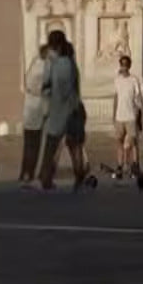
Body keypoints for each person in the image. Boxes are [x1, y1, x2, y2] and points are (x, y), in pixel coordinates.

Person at [38, 31, 85, 190]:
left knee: (51, 146)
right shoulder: (71, 62)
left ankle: (46, 177)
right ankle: (79, 175)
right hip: (74, 109)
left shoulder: (54, 63)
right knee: (75, 145)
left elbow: (46, 85)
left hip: (58, 110)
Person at [18, 42, 49, 183]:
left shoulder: (34, 64)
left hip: (29, 110)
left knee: (27, 145)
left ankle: (24, 172)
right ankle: (29, 173)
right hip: (37, 111)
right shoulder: (43, 68)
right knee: (34, 146)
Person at [112, 54, 143, 179]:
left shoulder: (134, 80)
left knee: (133, 142)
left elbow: (138, 97)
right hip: (120, 116)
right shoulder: (117, 80)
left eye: (126, 65)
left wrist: (139, 112)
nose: (124, 67)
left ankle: (135, 165)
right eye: (122, 64)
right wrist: (113, 115)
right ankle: (120, 165)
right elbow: (116, 97)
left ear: (129, 66)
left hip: (131, 115)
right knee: (119, 141)